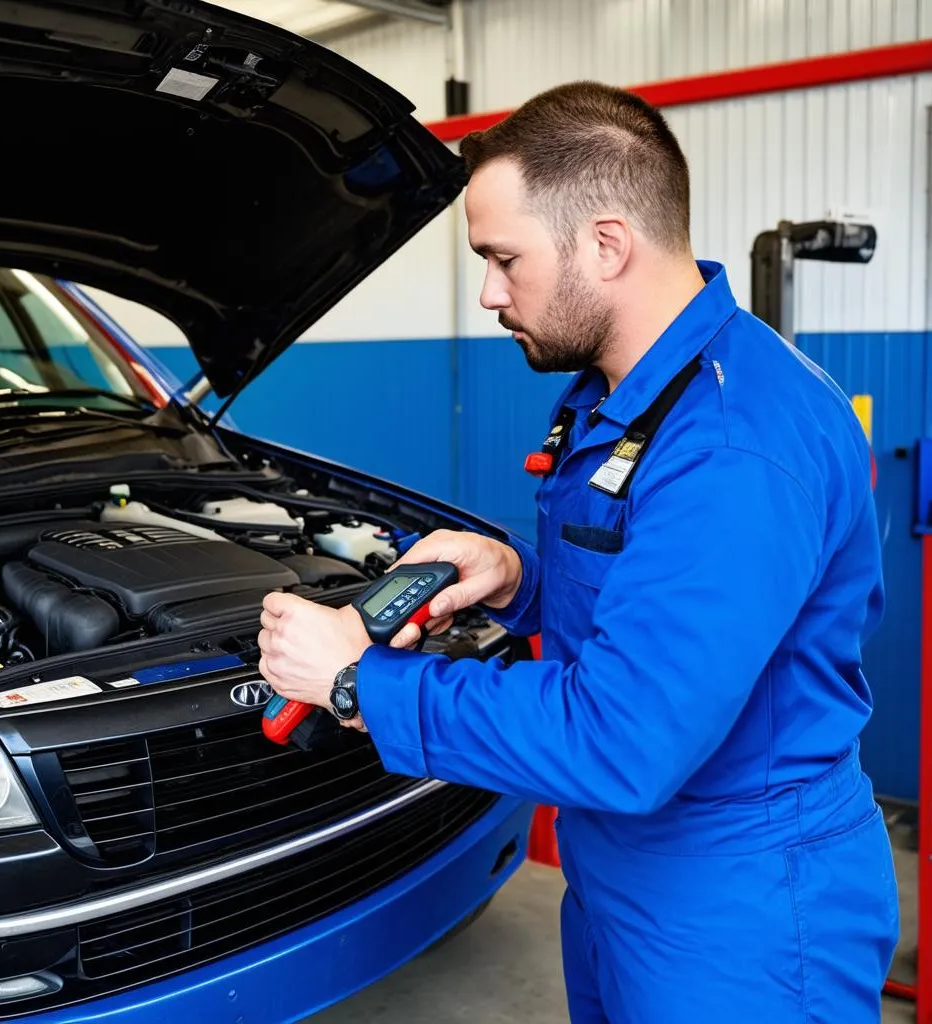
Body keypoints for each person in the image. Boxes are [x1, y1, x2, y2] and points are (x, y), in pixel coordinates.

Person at [257, 81, 899, 1022]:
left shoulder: (730, 445)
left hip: (739, 909)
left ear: (606, 244)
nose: (488, 293)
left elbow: (625, 736)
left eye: (503, 259)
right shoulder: (635, 391)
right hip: (628, 872)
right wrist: (521, 577)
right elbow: (652, 585)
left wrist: (360, 682)